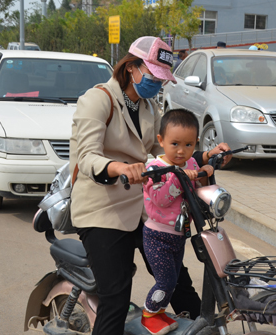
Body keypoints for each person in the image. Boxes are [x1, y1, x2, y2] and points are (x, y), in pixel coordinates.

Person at [70, 36, 231, 335]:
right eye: (153, 76)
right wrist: (119, 167)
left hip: (148, 209)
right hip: (103, 209)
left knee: (179, 284)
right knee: (115, 298)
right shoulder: (97, 99)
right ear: (131, 67)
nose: (156, 85)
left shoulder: (147, 107)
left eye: (161, 80)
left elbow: (166, 155)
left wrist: (206, 155)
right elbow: (87, 155)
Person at [140, 109, 214, 335]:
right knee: (166, 282)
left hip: (179, 235)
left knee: (174, 282)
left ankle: (160, 312)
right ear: (161, 140)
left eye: (189, 145)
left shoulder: (190, 162)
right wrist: (179, 176)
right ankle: (149, 314)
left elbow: (197, 192)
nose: (182, 151)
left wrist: (205, 173)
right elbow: (160, 199)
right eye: (175, 144)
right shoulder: (154, 169)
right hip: (157, 236)